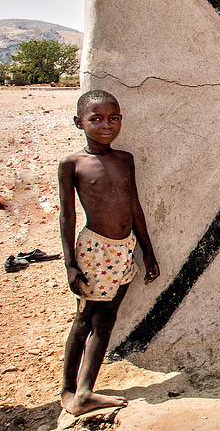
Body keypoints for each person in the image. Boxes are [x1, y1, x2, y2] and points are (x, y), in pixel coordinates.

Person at [57, 90, 160, 415]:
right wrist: (71, 264)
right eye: (96, 118)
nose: (106, 125)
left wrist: (147, 250)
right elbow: (67, 216)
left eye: (113, 118)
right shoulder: (73, 164)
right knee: (85, 318)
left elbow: (134, 207)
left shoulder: (124, 159)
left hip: (123, 250)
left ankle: (86, 390)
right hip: (94, 253)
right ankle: (68, 390)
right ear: (79, 122)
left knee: (106, 320)